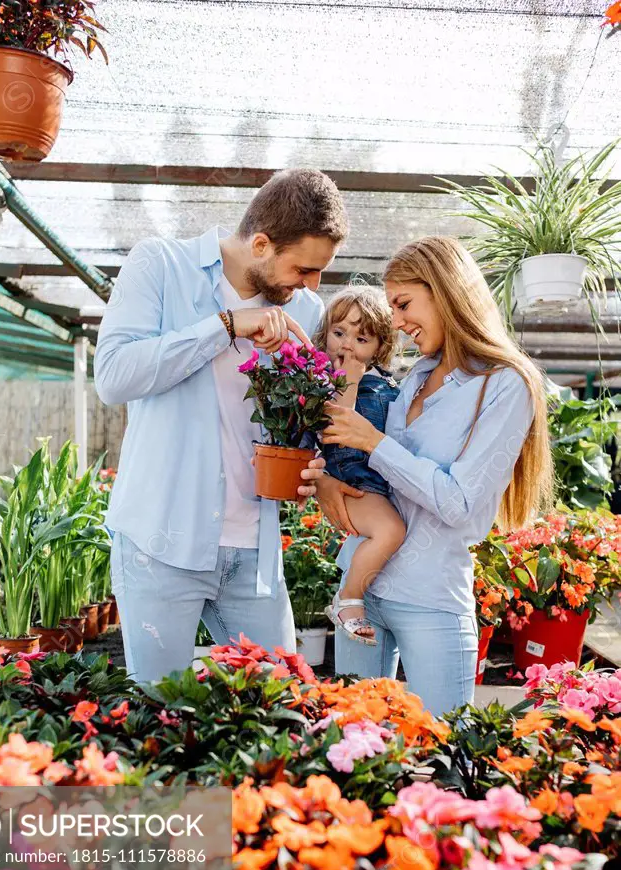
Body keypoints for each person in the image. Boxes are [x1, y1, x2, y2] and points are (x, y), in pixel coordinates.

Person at [94, 169, 348, 682]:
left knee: (282, 708)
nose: (313, 284)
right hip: (161, 543)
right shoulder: (161, 265)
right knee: (159, 712)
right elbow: (114, 376)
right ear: (260, 244)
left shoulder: (302, 306)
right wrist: (226, 327)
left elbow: (300, 414)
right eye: (305, 268)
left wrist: (309, 452)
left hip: (254, 550)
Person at [318, 236, 554, 716]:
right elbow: (370, 470)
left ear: (445, 290)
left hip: (430, 598)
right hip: (361, 590)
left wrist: (374, 442)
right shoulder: (416, 376)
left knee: (451, 754)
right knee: (352, 755)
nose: (397, 322)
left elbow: (460, 504)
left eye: (404, 304)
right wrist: (325, 478)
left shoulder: (505, 383)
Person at [311, 286, 405, 644]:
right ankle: (348, 600)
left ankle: (354, 594)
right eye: (339, 333)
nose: (347, 345)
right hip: (351, 478)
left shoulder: (386, 383)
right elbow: (336, 425)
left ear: (380, 348)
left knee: (390, 530)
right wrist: (347, 381)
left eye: (361, 338)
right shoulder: (325, 380)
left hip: (375, 479)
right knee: (390, 531)